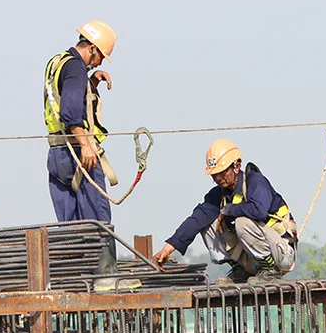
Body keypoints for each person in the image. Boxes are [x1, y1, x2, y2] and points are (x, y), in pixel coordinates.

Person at [43, 20, 134, 290]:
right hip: (76, 152)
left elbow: (61, 99)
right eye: (99, 57)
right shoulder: (75, 68)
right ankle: (106, 277)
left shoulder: (57, 63)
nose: (97, 63)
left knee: (70, 222)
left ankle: (75, 281)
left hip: (57, 153)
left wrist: (90, 84)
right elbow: (71, 110)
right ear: (92, 48)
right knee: (97, 214)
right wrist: (86, 144)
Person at [151, 139, 297, 282]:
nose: (217, 178)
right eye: (214, 174)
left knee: (242, 222)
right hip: (253, 259)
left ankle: (269, 271)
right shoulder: (219, 194)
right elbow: (196, 219)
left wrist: (228, 210)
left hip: (282, 253)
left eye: (222, 172)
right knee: (206, 223)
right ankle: (240, 269)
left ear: (237, 166)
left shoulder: (256, 181)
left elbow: (259, 211)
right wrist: (168, 249)